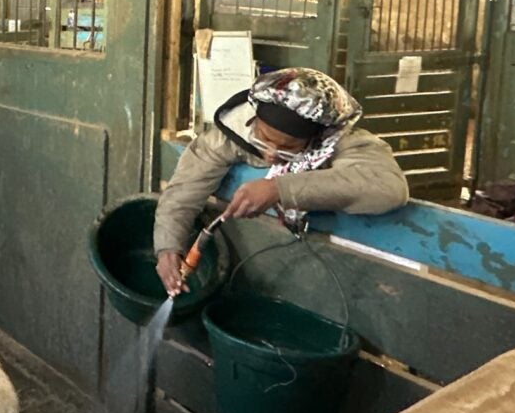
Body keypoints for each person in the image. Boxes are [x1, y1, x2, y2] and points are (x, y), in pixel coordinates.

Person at [155, 67, 409, 295]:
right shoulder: (232, 132)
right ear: (254, 119)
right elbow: (183, 191)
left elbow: (388, 188)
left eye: (287, 148)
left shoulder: (343, 141)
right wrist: (167, 246)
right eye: (263, 138)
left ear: (316, 137)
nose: (270, 154)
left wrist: (280, 188)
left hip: (345, 276)